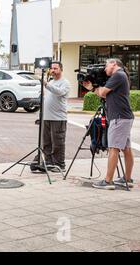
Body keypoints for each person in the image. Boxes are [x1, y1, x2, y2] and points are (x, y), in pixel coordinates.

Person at [83, 58, 135, 190]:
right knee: (126, 148)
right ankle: (127, 179)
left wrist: (92, 87)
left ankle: (108, 181)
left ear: (114, 64)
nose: (105, 69)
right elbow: (107, 96)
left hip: (119, 117)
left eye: (106, 66)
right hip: (124, 117)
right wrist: (93, 89)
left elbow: (102, 92)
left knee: (114, 148)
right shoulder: (121, 75)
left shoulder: (118, 75)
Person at [31, 61, 71, 173]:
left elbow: (59, 92)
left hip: (58, 118)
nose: (53, 70)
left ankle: (60, 164)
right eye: (52, 68)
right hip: (46, 117)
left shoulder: (65, 83)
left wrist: (46, 85)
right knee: (46, 142)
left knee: (58, 142)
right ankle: (48, 162)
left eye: (55, 68)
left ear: (61, 69)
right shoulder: (51, 81)